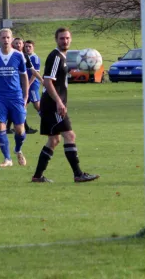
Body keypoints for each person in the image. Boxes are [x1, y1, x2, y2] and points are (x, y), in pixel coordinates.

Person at [32, 27, 100, 183]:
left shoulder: (64, 57)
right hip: (52, 104)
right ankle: (78, 174)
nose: (65, 41)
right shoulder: (55, 57)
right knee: (69, 135)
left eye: (67, 38)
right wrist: (59, 102)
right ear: (56, 40)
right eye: (62, 38)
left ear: (71, 39)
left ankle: (37, 176)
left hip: (52, 104)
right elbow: (48, 82)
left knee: (54, 140)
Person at [0, 28, 29, 167]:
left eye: (8, 37)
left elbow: (24, 76)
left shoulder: (18, 55)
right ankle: (7, 159)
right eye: (3, 37)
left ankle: (18, 149)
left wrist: (26, 95)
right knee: (0, 126)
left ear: (12, 39)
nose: (6, 40)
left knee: (20, 130)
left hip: (16, 96)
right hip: (0, 96)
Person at [6, 38, 42, 134]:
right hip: (14, 86)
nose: (18, 45)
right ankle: (11, 127)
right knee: (18, 106)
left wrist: (42, 80)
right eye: (16, 43)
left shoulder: (26, 57)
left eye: (20, 43)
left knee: (21, 106)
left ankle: (21, 127)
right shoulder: (10, 55)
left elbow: (34, 71)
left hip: (25, 86)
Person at [24, 39, 42, 134]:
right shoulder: (24, 57)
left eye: (29, 47)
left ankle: (47, 122)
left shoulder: (35, 58)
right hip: (25, 86)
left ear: (33, 47)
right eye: (26, 46)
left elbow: (35, 74)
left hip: (32, 86)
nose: (27, 48)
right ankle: (23, 127)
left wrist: (28, 85)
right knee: (23, 106)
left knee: (37, 106)